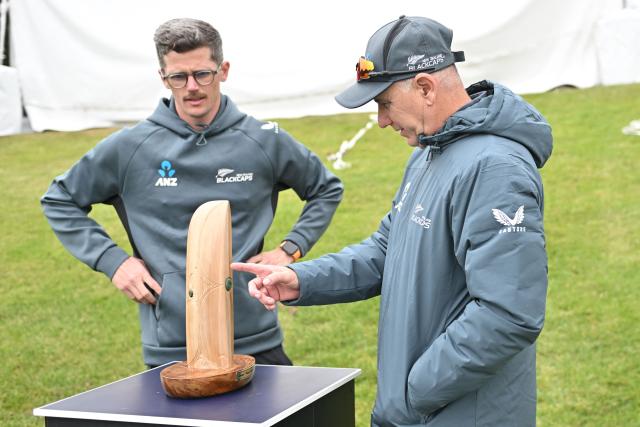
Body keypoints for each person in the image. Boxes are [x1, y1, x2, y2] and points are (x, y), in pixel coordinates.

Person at [232, 15, 553, 427]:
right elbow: (387, 249)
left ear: (424, 86)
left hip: (457, 413)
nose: (381, 120)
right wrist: (301, 279)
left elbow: (508, 313)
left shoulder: (495, 168)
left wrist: (414, 390)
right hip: (419, 411)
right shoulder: (428, 153)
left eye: (383, 103)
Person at [41, 18, 343, 368]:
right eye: (178, 77)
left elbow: (325, 188)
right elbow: (60, 199)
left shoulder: (264, 140)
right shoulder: (130, 148)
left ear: (223, 70)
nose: (191, 87)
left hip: (255, 338)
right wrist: (115, 263)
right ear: (163, 78)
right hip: (172, 347)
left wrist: (289, 249)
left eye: (203, 74)